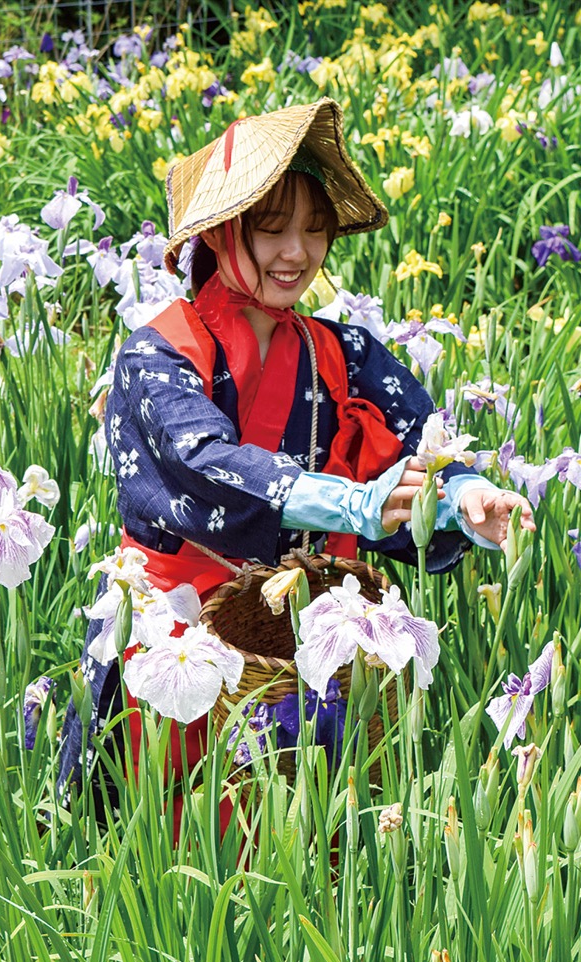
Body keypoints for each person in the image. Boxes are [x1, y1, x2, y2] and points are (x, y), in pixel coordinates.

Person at [57, 98, 535, 826]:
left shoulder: (343, 352)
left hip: (314, 626)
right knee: (186, 826)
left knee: (320, 820)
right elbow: (205, 460)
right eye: (272, 228)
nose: (297, 253)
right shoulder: (158, 353)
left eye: (315, 229)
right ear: (223, 232)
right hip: (182, 627)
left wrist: (466, 497)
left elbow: (419, 441)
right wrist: (354, 503)